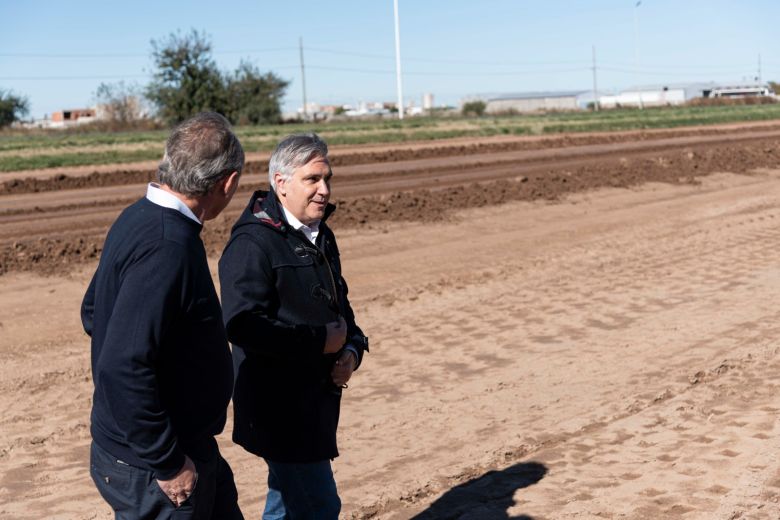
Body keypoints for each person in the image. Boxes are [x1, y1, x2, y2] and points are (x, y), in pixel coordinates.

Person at [81, 112, 245, 520]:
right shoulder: (167, 245)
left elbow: (93, 311)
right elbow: (122, 365)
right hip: (154, 463)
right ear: (228, 182)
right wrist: (168, 461)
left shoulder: (139, 216)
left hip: (175, 443)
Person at [219, 132, 368, 519]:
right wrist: (319, 342)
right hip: (278, 408)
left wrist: (352, 348)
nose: (324, 190)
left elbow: (340, 306)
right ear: (280, 184)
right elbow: (242, 326)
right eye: (312, 180)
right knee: (319, 506)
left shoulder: (320, 236)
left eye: (327, 179)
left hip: (313, 403)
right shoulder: (253, 244)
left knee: (286, 505)